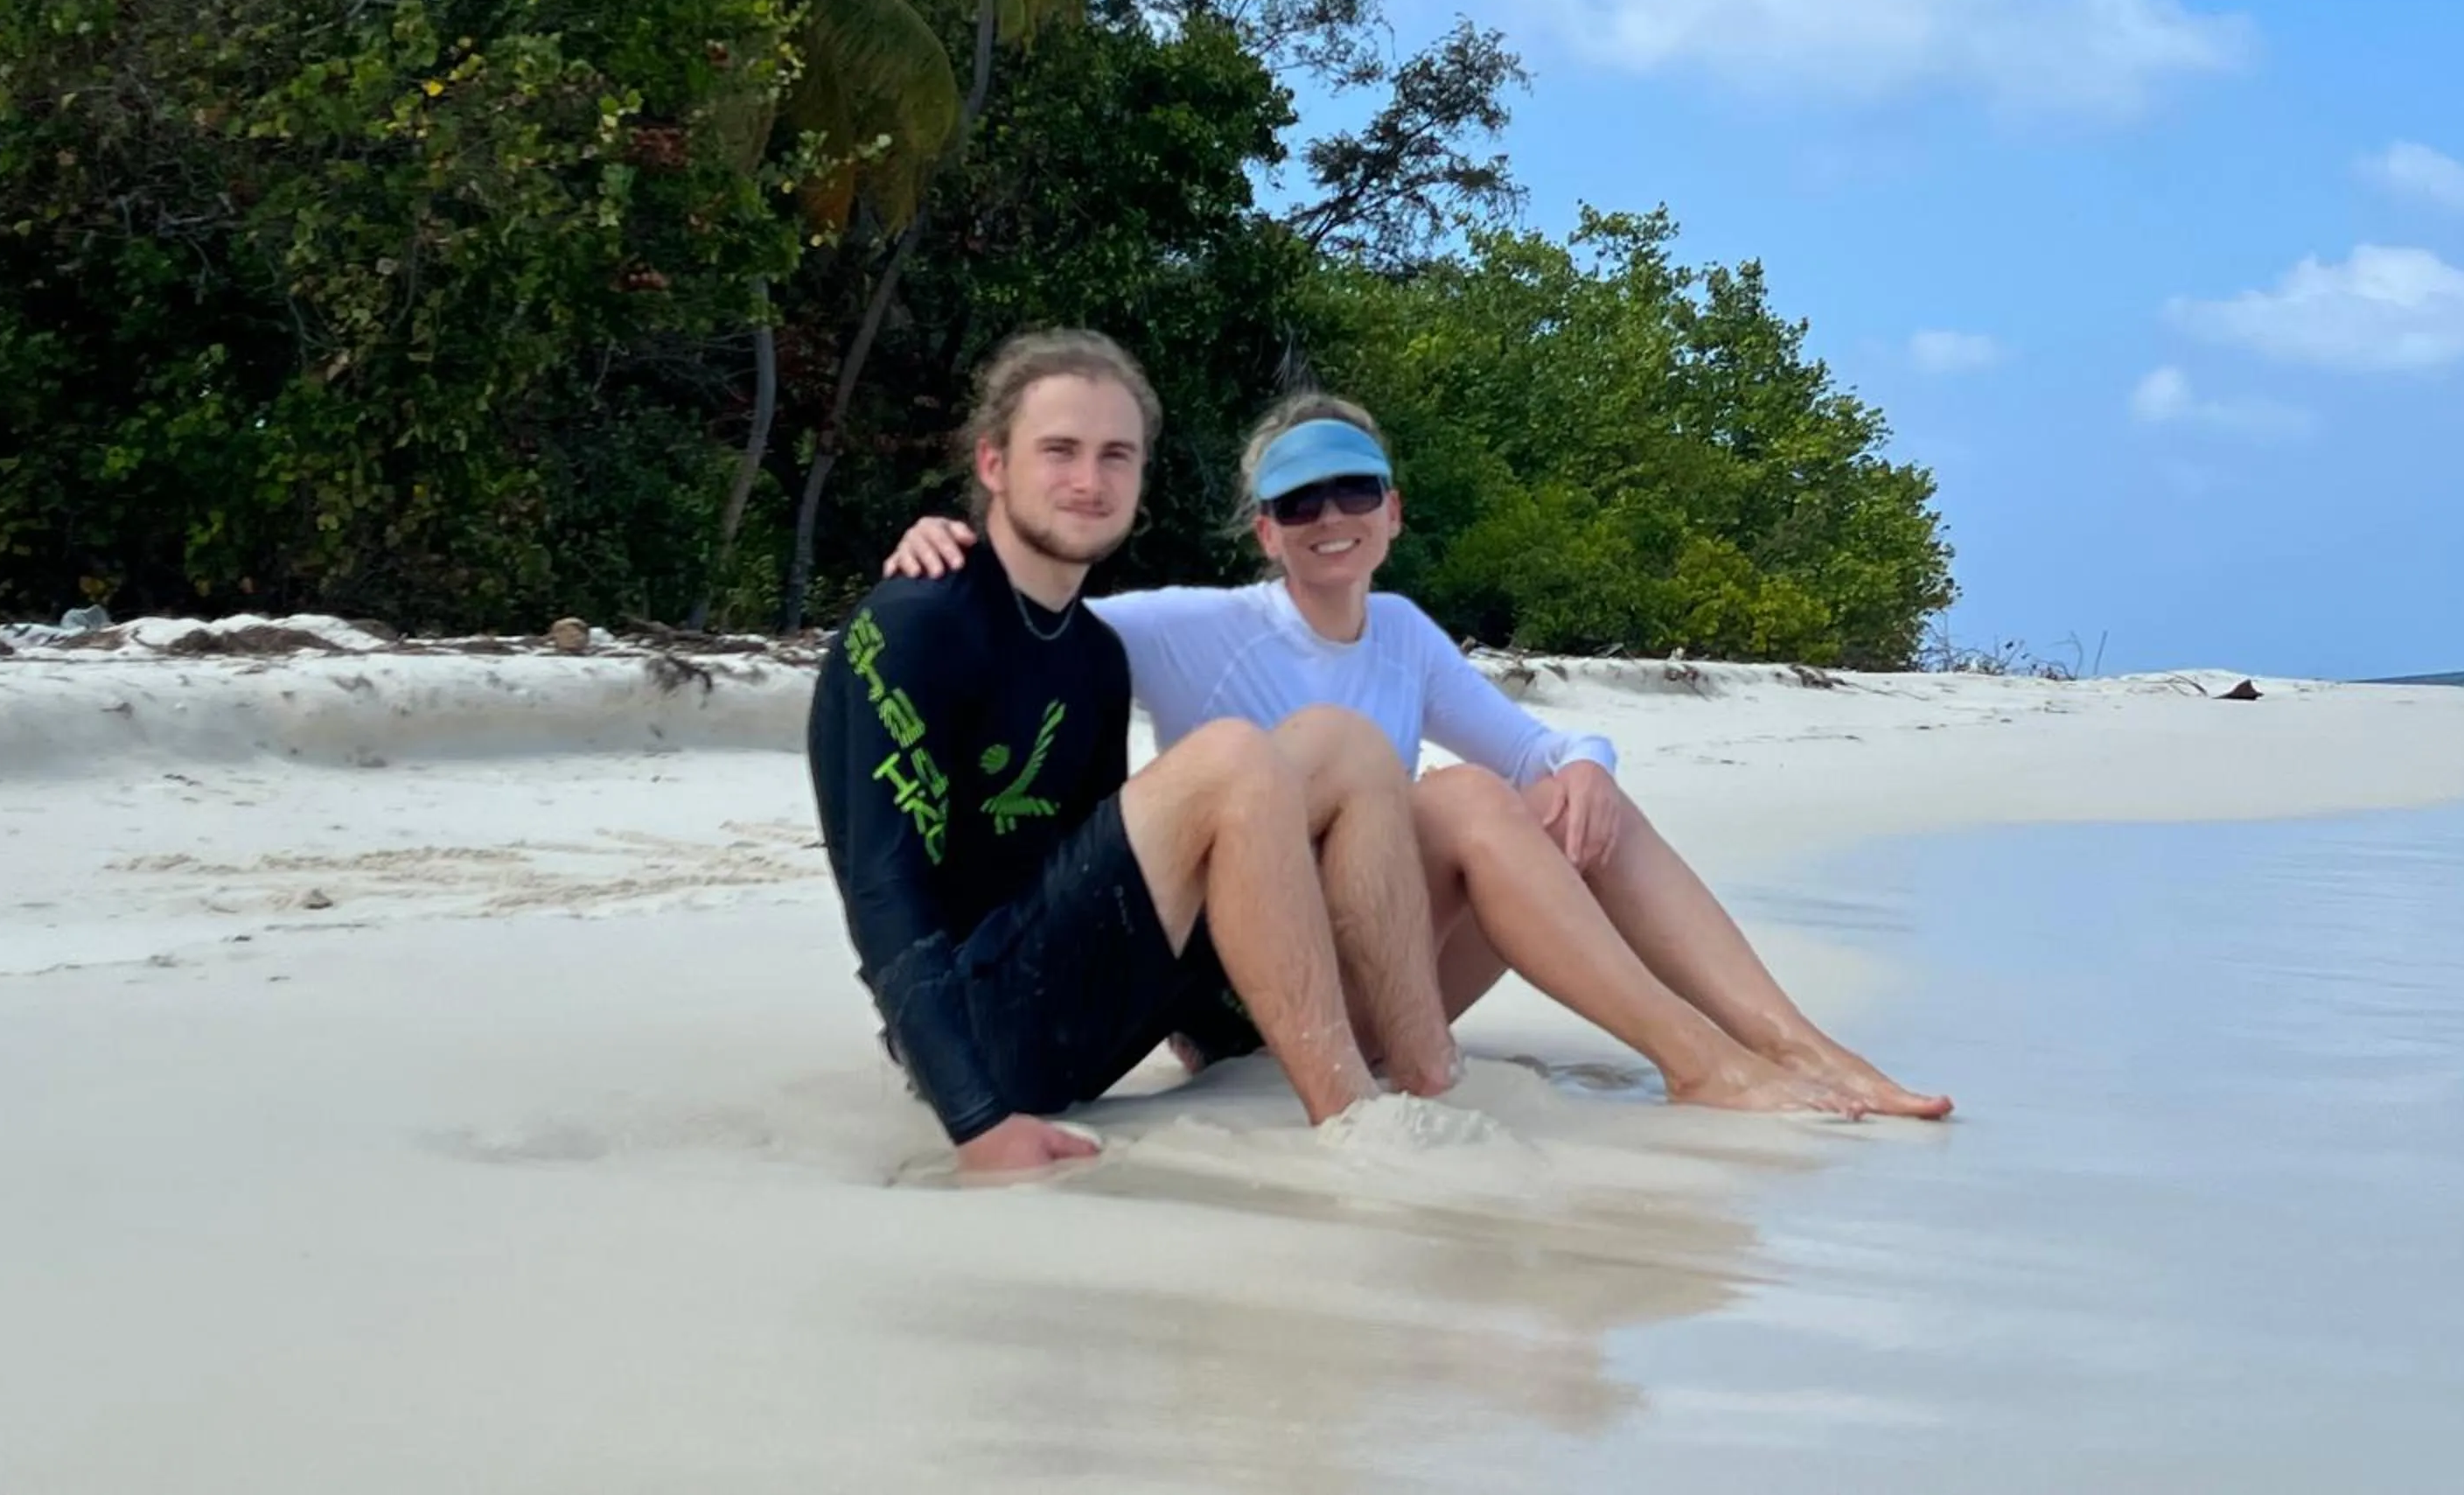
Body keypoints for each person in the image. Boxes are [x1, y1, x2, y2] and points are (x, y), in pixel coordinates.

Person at [883, 392, 1951, 1121]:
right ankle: (1702, 1062)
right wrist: (948, 555)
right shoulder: (1202, 627)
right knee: (1472, 801)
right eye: (1299, 504)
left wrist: (1588, 760)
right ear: (1266, 532)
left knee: (1569, 800)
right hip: (1259, 999)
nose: (1329, 519)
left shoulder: (1401, 633)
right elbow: (1039, 619)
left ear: (1393, 510)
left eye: (1353, 493)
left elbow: (1548, 745)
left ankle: (1800, 1046)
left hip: (1382, 973)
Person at [807, 334, 1462, 1177]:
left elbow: (1108, 873)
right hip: (980, 1039)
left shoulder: (1095, 656)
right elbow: (881, 890)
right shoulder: (912, 624)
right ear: (993, 463)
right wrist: (978, 1120)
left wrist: (1213, 1023)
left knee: (1347, 744)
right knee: (1232, 756)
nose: (1090, 480)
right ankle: (1350, 1117)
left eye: (1116, 455)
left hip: (1082, 1020)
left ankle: (1426, 1081)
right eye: (1060, 451)